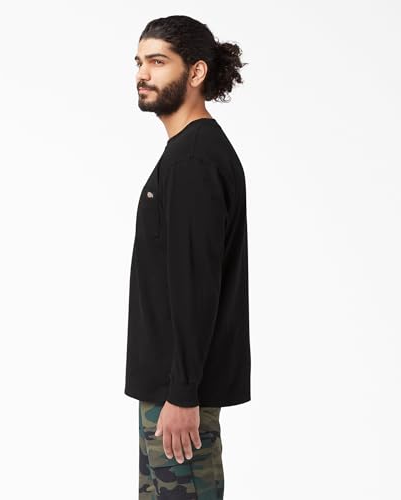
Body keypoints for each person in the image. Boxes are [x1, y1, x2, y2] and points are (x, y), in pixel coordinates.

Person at [124, 15, 251, 499]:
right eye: (139, 62)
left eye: (158, 62)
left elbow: (196, 284)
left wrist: (182, 392)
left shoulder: (194, 160)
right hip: (166, 389)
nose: (143, 74)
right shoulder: (186, 153)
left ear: (196, 72)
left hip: (178, 395)